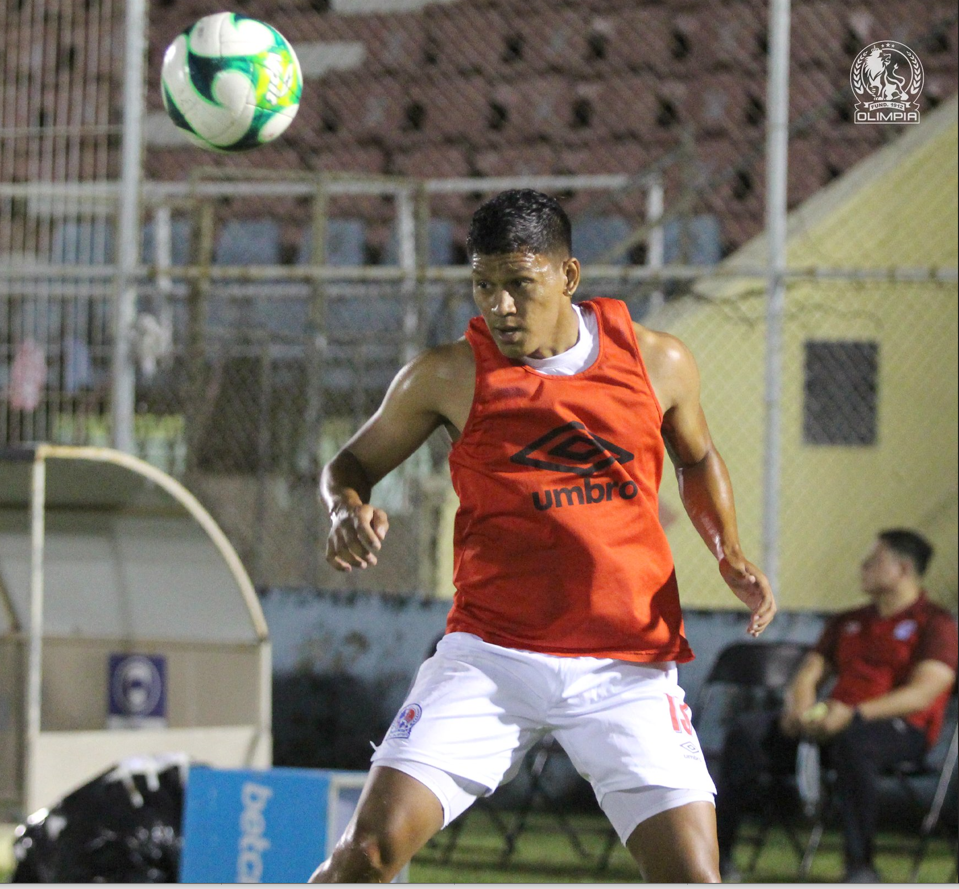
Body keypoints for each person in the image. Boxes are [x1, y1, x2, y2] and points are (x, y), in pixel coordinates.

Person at [314, 189, 776, 883]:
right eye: (483, 284)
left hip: (626, 668)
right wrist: (345, 507)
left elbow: (698, 457)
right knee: (365, 855)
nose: (498, 305)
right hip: (490, 659)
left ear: (568, 276)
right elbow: (348, 464)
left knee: (693, 878)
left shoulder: (658, 361)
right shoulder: (449, 374)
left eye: (518, 284)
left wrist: (728, 549)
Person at [715, 529, 958, 883]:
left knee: (854, 743)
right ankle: (718, 858)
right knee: (746, 734)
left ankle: (860, 867)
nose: (863, 567)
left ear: (903, 569)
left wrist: (854, 714)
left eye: (874, 560)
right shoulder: (848, 620)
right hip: (832, 724)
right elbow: (809, 673)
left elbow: (923, 693)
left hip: (899, 729)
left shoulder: (935, 623)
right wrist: (798, 709)